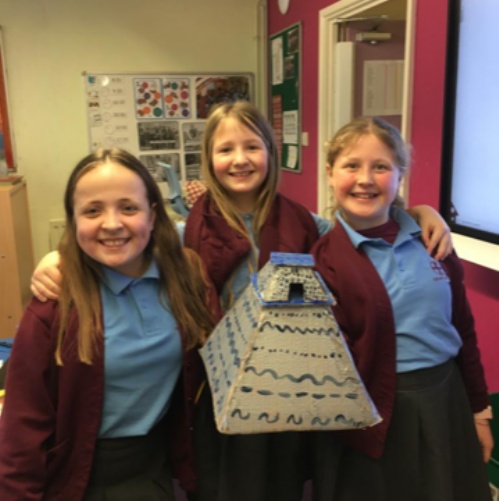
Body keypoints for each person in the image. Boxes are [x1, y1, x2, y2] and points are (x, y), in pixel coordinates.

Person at [29, 102, 453, 501]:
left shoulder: (306, 223)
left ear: (270, 152)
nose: (240, 159)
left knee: (285, 483)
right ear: (209, 158)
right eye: (225, 149)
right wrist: (58, 257)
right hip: (216, 395)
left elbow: (360, 224)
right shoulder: (186, 235)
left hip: (290, 387)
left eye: (252, 146)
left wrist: (416, 213)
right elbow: (127, 244)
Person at [0, 148, 217, 501]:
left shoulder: (186, 278)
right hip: (79, 477)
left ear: (153, 215)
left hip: (158, 468)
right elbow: (21, 429)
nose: (112, 223)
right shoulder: (55, 303)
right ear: (73, 220)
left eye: (128, 208)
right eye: (92, 210)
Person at [310, 117, 493, 501]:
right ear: (330, 173)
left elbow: (463, 327)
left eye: (381, 166)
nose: (365, 179)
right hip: (377, 414)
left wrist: (479, 410)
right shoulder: (324, 260)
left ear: (400, 176)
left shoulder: (433, 241)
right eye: (351, 165)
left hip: (445, 398)